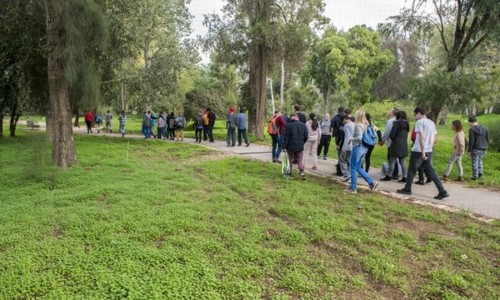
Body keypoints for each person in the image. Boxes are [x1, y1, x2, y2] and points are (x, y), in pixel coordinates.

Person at [397, 107, 449, 200]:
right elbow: (434, 137)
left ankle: (407, 188)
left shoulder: (420, 122)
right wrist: (429, 148)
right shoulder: (431, 123)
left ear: (418, 113)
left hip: (419, 150)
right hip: (429, 150)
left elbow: (421, 136)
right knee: (431, 171)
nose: (415, 117)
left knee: (412, 170)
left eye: (415, 115)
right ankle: (442, 191)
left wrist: (423, 152)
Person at [345, 110, 378, 194]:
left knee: (353, 168)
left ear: (358, 116)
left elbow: (359, 137)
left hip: (358, 148)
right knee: (358, 167)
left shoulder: (359, 125)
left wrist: (351, 138)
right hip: (364, 148)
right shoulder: (366, 124)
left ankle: (353, 188)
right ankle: (372, 182)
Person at [381, 111, 409, 182]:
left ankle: (389, 176)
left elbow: (392, 135)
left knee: (392, 162)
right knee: (402, 162)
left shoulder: (396, 123)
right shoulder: (407, 124)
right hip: (404, 145)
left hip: (396, 145)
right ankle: (405, 177)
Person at [283, 113, 308, 180]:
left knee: (290, 160)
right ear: (297, 118)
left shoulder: (288, 125)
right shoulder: (303, 125)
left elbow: (286, 138)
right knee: (299, 160)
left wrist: (284, 147)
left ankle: (289, 173)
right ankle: (302, 173)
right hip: (299, 147)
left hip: (290, 147)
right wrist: (302, 143)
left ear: (291, 118)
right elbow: (306, 137)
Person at [467, 116, 489, 180]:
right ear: (476, 121)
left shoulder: (471, 129)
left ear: (470, 122)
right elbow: (487, 138)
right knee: (480, 160)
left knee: (474, 161)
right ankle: (480, 173)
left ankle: (475, 176)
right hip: (484, 147)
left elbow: (471, 141)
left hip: (476, 148)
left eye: (469, 123)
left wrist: (469, 150)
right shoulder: (485, 128)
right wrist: (486, 146)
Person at [380, 109, 399, 179]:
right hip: (398, 142)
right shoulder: (399, 120)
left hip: (391, 142)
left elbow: (387, 132)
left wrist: (382, 140)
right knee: (395, 158)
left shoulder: (390, 121)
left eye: (390, 111)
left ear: (393, 113)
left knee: (390, 158)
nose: (389, 112)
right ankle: (395, 173)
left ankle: (393, 173)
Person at [330, 107, 345, 175]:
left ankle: (340, 163)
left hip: (338, 135)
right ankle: (341, 163)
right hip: (345, 135)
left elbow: (331, 125)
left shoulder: (336, 117)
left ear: (338, 111)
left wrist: (330, 131)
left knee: (339, 149)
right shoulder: (346, 117)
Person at [339, 114, 354, 181]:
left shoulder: (346, 125)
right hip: (353, 145)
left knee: (342, 159)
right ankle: (350, 174)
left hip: (347, 146)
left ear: (344, 119)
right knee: (348, 160)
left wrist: (344, 147)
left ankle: (346, 174)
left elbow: (347, 137)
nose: (342, 122)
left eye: (342, 121)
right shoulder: (354, 124)